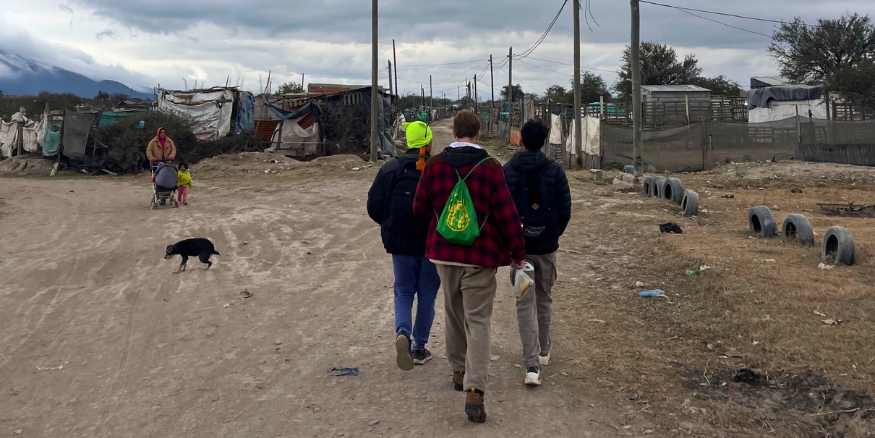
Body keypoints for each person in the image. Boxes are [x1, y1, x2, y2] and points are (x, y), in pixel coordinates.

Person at [413, 110, 525, 423]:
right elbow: (506, 214)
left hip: (444, 254)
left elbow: (419, 207)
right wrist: (518, 252)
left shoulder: (434, 166)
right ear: (478, 133)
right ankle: (474, 391)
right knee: (478, 320)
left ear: (453, 131)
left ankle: (459, 372)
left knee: (452, 313)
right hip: (481, 257)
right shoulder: (490, 167)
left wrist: (443, 216)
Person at [366, 121, 441, 371]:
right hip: (431, 246)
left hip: (400, 246)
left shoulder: (390, 169)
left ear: (408, 142)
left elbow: (374, 207)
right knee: (427, 295)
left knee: (403, 291)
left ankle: (403, 332)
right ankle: (419, 348)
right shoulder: (437, 170)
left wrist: (390, 224)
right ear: (428, 143)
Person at [503, 120, 572, 387]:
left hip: (519, 250)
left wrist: (510, 242)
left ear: (521, 140)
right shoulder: (555, 170)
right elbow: (564, 211)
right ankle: (543, 351)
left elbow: (502, 211)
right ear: (544, 142)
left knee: (524, 304)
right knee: (543, 299)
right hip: (546, 247)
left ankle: (531, 365)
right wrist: (552, 235)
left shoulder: (508, 170)